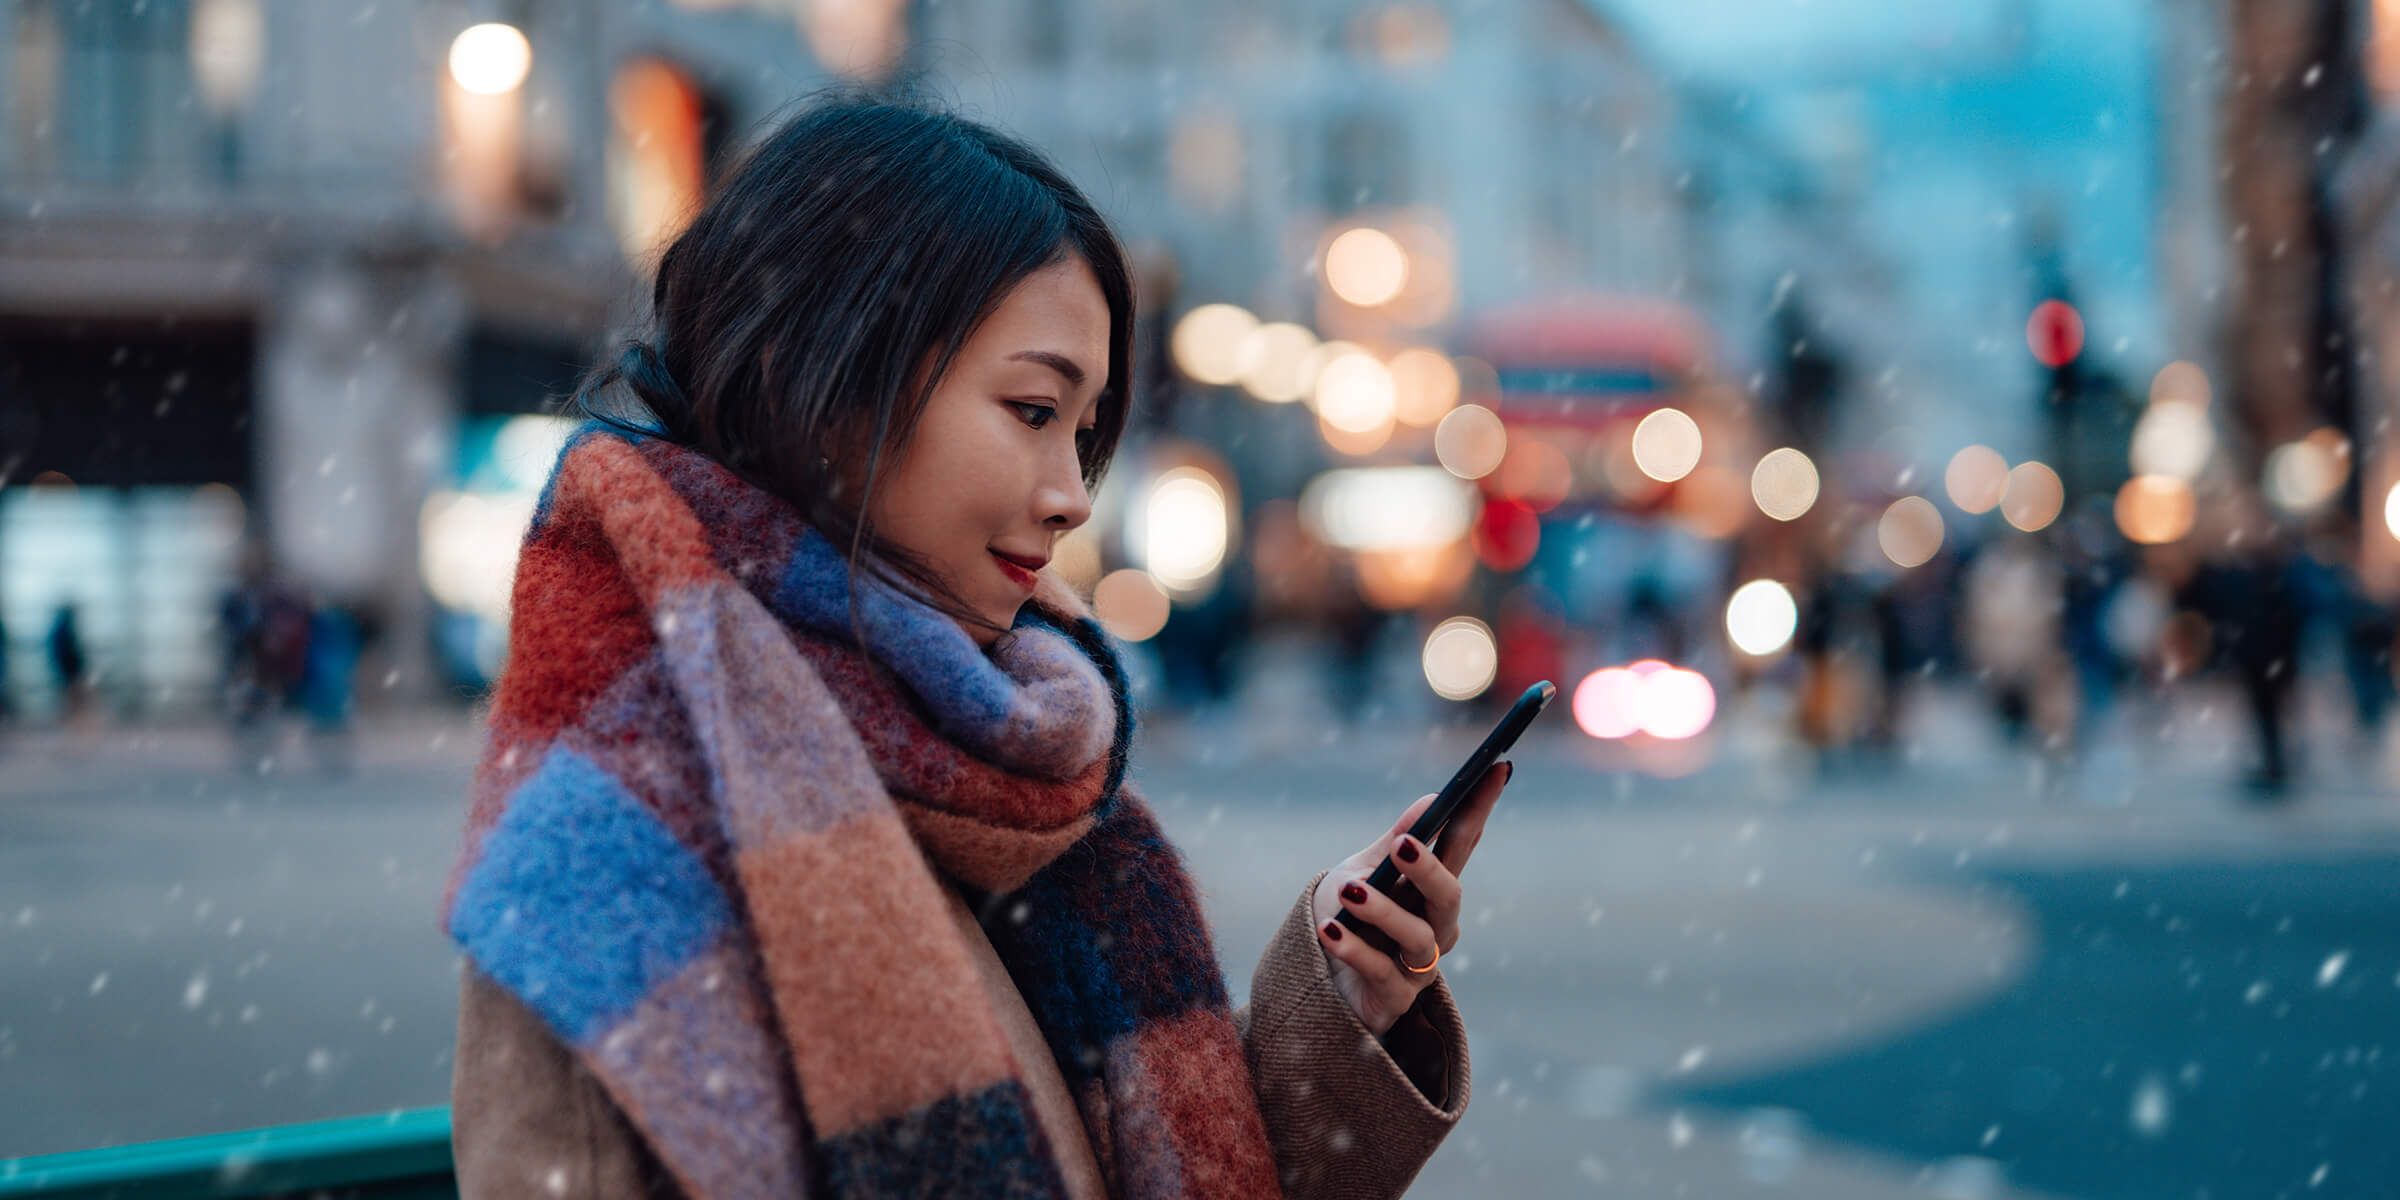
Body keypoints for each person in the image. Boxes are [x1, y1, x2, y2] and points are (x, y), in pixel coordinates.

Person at [443, 92, 1497, 1199]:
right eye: (1035, 411)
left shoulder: (1004, 762)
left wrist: (1343, 999)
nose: (1071, 495)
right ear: (827, 379)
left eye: (1084, 433)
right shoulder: (622, 821)